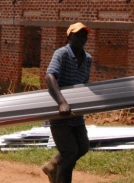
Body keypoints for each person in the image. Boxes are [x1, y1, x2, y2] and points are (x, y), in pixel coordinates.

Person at [42, 22, 92, 183]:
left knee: (83, 147)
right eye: (78, 35)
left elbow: (83, 84)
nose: (82, 38)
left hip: (76, 114)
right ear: (69, 36)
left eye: (84, 35)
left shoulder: (87, 59)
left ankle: (52, 165)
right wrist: (62, 102)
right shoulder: (61, 54)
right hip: (61, 113)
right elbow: (50, 77)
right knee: (69, 152)